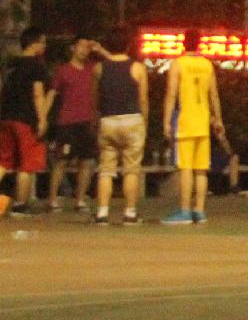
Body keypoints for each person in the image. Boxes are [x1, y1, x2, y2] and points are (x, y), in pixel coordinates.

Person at [162, 32, 224, 226]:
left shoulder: (178, 64)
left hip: (185, 121)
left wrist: (166, 121)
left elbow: (171, 94)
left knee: (186, 168)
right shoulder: (207, 64)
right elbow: (214, 95)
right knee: (201, 170)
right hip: (203, 121)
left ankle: (184, 210)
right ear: (199, 44)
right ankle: (199, 210)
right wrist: (218, 119)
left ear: (183, 43)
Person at [91, 29, 149, 225]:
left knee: (106, 169)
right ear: (129, 45)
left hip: (107, 120)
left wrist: (95, 119)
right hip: (132, 120)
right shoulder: (138, 68)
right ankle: (130, 213)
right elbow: (143, 99)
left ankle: (102, 212)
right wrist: (145, 121)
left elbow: (94, 98)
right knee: (131, 169)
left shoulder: (99, 68)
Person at [0, 27, 51, 217]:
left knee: (3, 161)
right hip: (26, 119)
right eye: (42, 42)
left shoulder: (11, 65)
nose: (44, 46)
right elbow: (38, 94)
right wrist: (42, 119)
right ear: (34, 43)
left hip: (6, 117)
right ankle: (20, 205)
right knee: (27, 164)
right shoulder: (36, 66)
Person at [46, 36, 99, 213]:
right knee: (61, 161)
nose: (84, 50)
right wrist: (43, 116)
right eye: (81, 46)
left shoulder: (93, 69)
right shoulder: (63, 70)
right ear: (73, 48)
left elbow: (114, 62)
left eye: (87, 47)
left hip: (87, 122)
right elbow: (52, 93)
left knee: (87, 161)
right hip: (67, 123)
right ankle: (52, 200)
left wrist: (99, 49)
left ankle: (80, 200)